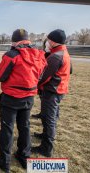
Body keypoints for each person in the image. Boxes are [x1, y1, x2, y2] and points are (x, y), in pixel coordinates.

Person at [0, 29, 46, 172]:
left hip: (11, 98)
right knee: (25, 127)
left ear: (14, 41)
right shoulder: (40, 54)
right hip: (29, 97)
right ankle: (24, 156)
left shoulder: (12, 55)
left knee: (7, 129)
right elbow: (41, 75)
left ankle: (5, 160)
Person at [32, 29, 72, 157]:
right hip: (59, 89)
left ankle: (46, 148)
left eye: (49, 40)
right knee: (50, 116)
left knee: (49, 118)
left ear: (54, 42)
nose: (47, 42)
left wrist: (34, 84)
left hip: (52, 91)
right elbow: (70, 69)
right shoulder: (63, 52)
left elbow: (44, 76)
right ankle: (45, 135)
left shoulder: (56, 56)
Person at [31, 39, 51, 119]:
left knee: (50, 104)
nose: (46, 47)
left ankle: (48, 116)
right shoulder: (45, 53)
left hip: (47, 81)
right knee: (43, 99)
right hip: (42, 80)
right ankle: (43, 113)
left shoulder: (54, 56)